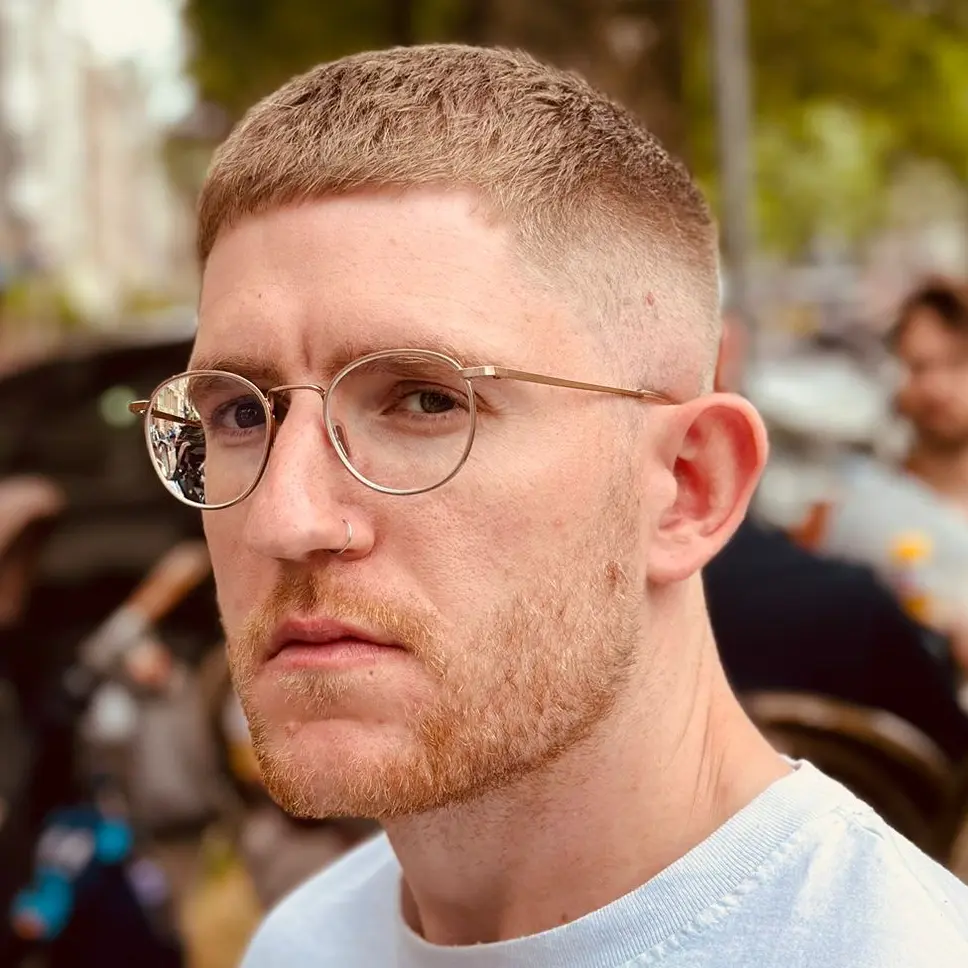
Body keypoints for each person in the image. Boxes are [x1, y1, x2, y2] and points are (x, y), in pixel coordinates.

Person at [131, 45, 968, 967]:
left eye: (425, 401)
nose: (283, 518)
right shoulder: (301, 946)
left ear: (688, 487)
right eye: (239, 413)